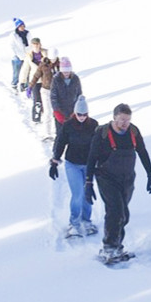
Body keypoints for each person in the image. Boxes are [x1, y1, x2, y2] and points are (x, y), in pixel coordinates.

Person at [85, 103, 151, 262]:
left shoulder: (133, 132)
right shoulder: (102, 134)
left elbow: (142, 152)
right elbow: (91, 158)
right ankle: (108, 248)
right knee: (115, 210)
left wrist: (150, 174)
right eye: (122, 120)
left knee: (124, 214)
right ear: (114, 118)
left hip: (127, 178)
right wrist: (88, 183)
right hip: (106, 177)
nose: (125, 123)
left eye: (128, 120)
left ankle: (117, 246)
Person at [50, 96, 99, 238]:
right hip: (73, 164)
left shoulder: (94, 125)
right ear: (75, 113)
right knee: (78, 193)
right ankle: (74, 222)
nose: (82, 117)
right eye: (79, 114)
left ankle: (86, 220)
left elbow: (99, 145)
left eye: (84, 114)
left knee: (87, 192)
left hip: (89, 164)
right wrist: (55, 161)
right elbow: (60, 143)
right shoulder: (68, 126)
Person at [28, 48, 60, 140]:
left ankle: (58, 131)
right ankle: (47, 133)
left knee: (57, 112)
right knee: (47, 112)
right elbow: (36, 75)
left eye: (54, 58)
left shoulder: (60, 65)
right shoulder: (43, 65)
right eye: (51, 58)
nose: (52, 60)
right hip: (45, 90)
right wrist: (30, 86)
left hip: (57, 92)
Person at [50, 57, 83, 135]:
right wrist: (56, 111)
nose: (66, 73)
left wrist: (78, 109)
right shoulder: (56, 80)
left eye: (68, 71)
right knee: (61, 134)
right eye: (64, 71)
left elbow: (79, 94)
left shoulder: (75, 79)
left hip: (73, 111)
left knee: (73, 134)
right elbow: (53, 97)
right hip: (60, 111)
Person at [18, 38, 47, 122]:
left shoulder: (46, 53)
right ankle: (36, 118)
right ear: (31, 46)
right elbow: (25, 69)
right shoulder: (29, 56)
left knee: (46, 100)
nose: (36, 46)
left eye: (37, 44)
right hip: (35, 81)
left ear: (40, 44)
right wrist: (22, 81)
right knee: (37, 101)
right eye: (34, 45)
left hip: (46, 80)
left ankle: (47, 116)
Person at [9, 18, 30, 91]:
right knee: (17, 71)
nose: (22, 27)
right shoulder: (13, 35)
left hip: (27, 55)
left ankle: (26, 85)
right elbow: (12, 46)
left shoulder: (27, 33)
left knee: (27, 71)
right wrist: (18, 55)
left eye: (23, 26)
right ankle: (14, 83)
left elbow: (30, 44)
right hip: (17, 56)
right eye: (20, 26)